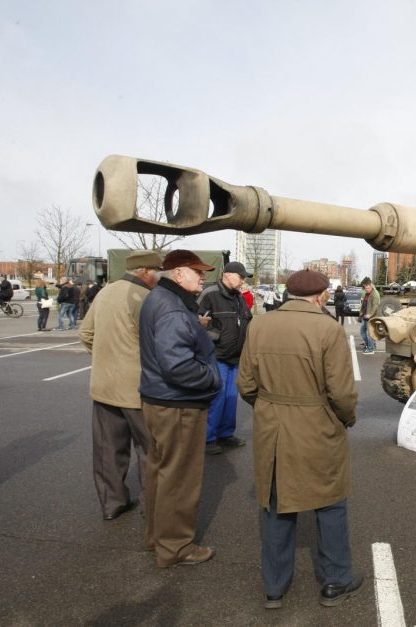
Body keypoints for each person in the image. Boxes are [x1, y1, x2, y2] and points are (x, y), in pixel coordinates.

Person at [237, 269, 364, 610]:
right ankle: (336, 580)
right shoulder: (328, 329)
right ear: (322, 295)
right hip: (317, 425)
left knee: (276, 505)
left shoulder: (260, 325)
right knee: (330, 503)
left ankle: (274, 587)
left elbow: (246, 384)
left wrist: (268, 407)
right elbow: (341, 392)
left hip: (273, 427)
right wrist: (346, 418)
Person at [139, 250, 221, 568]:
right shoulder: (171, 307)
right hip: (177, 404)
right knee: (180, 478)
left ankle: (158, 536)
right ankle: (176, 546)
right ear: (177, 274)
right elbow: (178, 366)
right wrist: (212, 378)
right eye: (197, 272)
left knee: (161, 472)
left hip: (161, 400)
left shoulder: (162, 299)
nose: (203, 277)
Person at [79, 250, 162, 521]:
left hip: (104, 386)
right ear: (146, 271)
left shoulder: (105, 292)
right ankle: (153, 510)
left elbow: (86, 334)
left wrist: (106, 360)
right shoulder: (146, 298)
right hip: (138, 389)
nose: (161, 275)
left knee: (107, 450)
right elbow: (157, 344)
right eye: (158, 270)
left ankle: (112, 504)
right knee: (151, 451)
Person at [197, 260, 253, 456]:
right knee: (217, 398)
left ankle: (226, 434)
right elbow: (195, 322)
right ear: (228, 275)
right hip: (216, 356)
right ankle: (208, 438)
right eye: (241, 276)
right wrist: (217, 337)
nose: (243, 281)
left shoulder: (239, 298)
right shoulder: (209, 294)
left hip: (235, 357)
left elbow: (247, 321)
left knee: (230, 399)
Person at [358, 277, 380, 354]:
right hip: (364, 316)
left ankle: (370, 349)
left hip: (370, 317)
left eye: (368, 288)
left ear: (371, 287)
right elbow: (364, 304)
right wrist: (361, 312)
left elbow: (375, 306)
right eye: (365, 288)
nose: (367, 289)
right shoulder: (367, 294)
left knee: (369, 333)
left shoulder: (375, 295)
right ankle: (370, 344)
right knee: (362, 332)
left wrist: (370, 314)